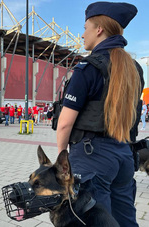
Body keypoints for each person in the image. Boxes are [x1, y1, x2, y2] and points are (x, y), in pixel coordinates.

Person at [56, 2, 143, 227]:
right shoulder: (135, 69)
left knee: (94, 221)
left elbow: (65, 123)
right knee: (125, 219)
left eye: (85, 27)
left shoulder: (88, 68)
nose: (82, 33)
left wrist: (61, 155)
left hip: (91, 156)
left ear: (99, 30)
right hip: (124, 154)